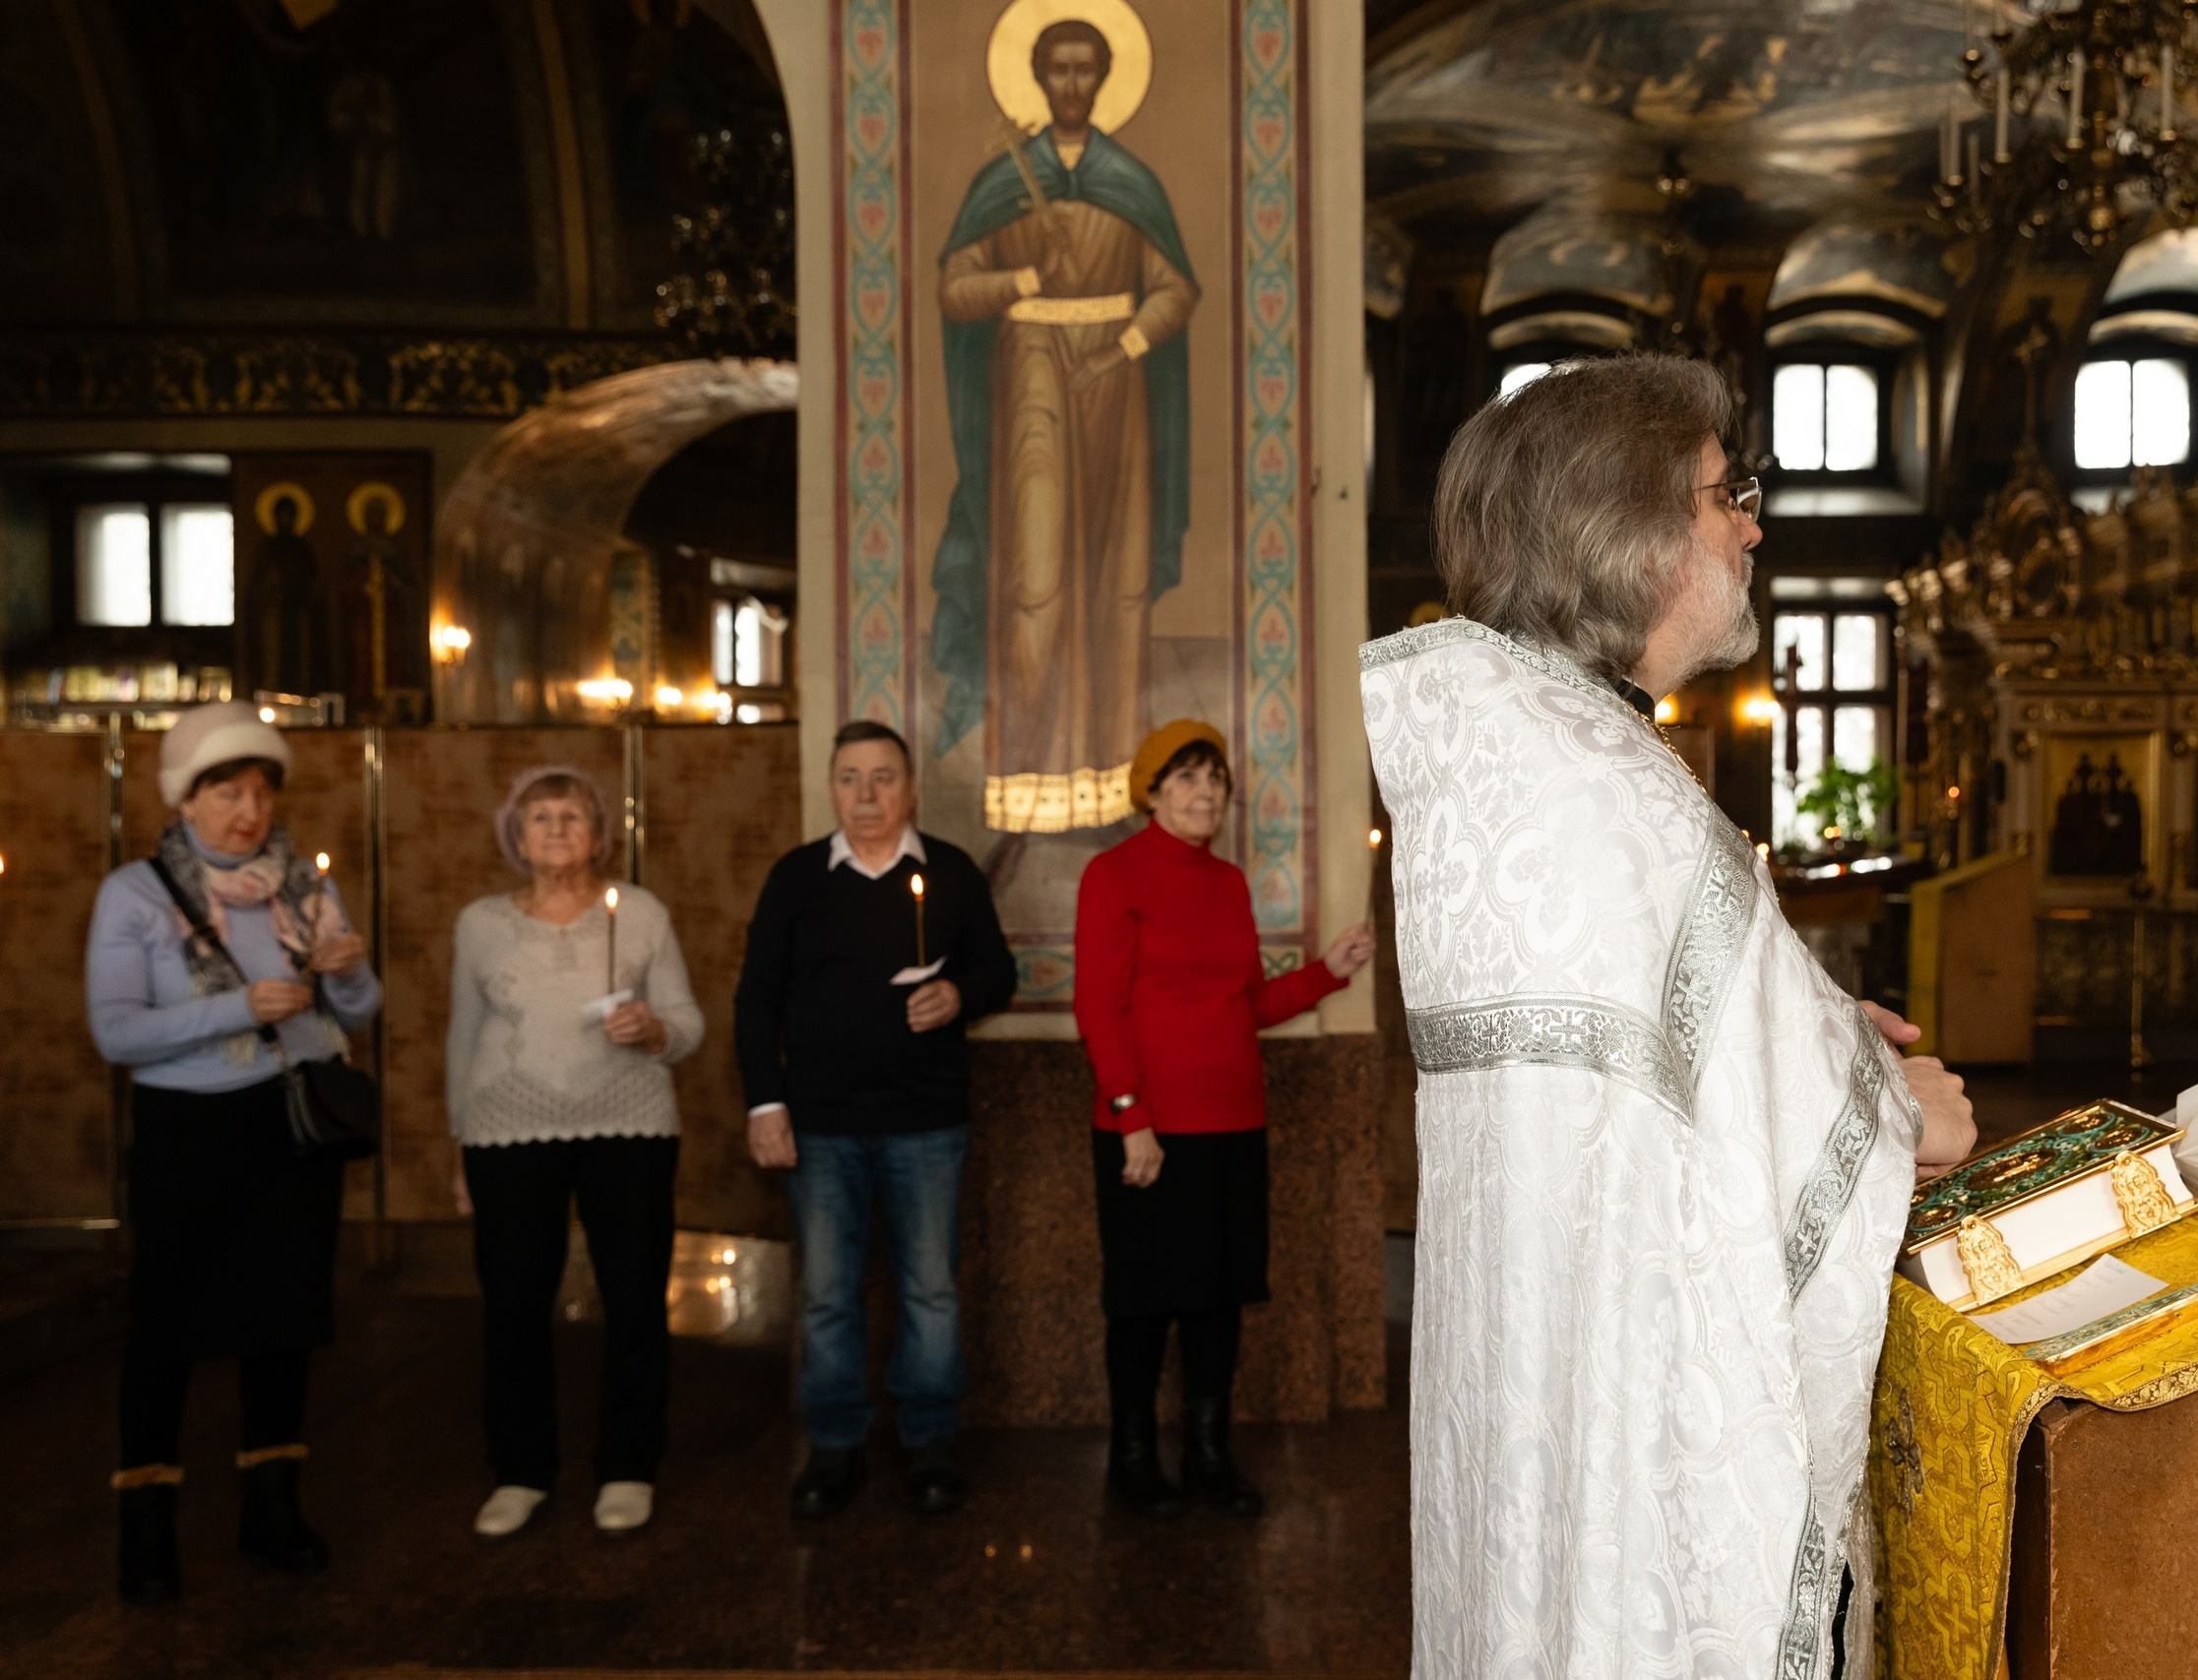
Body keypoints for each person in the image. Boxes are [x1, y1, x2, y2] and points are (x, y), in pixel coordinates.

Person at [1360, 355, 1976, 1680]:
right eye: (1723, 495)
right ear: (1626, 527)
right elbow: (1748, 1106)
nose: (1752, 523)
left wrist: (1805, 1023)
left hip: (1545, 1357)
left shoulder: (1518, 754)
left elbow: (1646, 1065)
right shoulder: (1608, 790)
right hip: (1634, 1394)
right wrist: (1891, 1111)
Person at [85, 701, 381, 1604]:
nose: (247, 812)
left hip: (289, 1126)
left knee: (284, 1319)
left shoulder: (301, 883)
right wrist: (236, 1007)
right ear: (183, 798)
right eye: (225, 792)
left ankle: (273, 1510)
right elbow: (114, 1031)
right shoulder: (135, 892)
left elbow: (358, 1013)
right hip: (191, 1133)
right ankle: (147, 1530)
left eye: (259, 792)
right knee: (167, 1329)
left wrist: (347, 973)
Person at [1072, 720, 1376, 1519]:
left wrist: (1326, 974)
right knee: (1142, 1300)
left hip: (1234, 1122)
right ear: (1152, 792)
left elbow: (1244, 1006)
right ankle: (1132, 1457)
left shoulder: (1229, 883)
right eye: (1186, 778)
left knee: (1218, 1299)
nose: (1205, 792)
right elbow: (1099, 1007)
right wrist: (1131, 1116)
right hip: (1149, 1133)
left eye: (1215, 779)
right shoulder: (1113, 875)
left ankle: (1208, 1453)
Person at [736, 720, 1017, 1517]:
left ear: (910, 788)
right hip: (820, 1124)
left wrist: (961, 994)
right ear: (831, 787)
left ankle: (929, 1440)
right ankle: (835, 1444)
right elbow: (756, 999)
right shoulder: (797, 878)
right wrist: (766, 1102)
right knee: (828, 1292)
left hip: (925, 1121)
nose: (866, 795)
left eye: (883, 777)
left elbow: (999, 970)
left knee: (930, 1289)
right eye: (851, 778)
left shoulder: (950, 873)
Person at [933, 17, 1199, 836]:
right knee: (1037, 574)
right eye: (1060, 70)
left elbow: (1173, 290)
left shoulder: (1130, 180)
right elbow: (955, 288)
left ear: (1105, 78)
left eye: (1088, 70)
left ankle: (1118, 780)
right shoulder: (1003, 184)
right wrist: (1022, 275)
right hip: (1032, 387)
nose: (1074, 84)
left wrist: (1122, 346)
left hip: (1115, 391)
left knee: (1113, 578)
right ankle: (1027, 776)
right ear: (1041, 79)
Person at [445, 765, 704, 1540]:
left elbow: (687, 1021)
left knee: (634, 1299)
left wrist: (655, 1031)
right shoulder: (480, 923)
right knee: (516, 1303)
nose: (556, 829)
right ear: (514, 835)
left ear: (601, 834)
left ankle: (629, 1463)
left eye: (572, 816)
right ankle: (521, 1470)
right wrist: (459, 1144)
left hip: (628, 1123)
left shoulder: (643, 913)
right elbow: (462, 1038)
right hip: (507, 1128)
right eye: (540, 817)